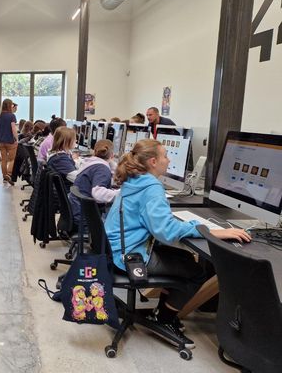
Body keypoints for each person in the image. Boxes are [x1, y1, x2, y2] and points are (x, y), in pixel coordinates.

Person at [104, 139, 250, 348]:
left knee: (184, 257)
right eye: (165, 156)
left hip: (117, 250)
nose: (169, 159)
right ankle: (164, 319)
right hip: (132, 257)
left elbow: (157, 224)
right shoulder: (151, 187)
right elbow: (166, 232)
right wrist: (210, 231)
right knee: (196, 272)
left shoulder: (135, 180)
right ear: (153, 161)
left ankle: (163, 309)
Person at [68, 139, 119, 228]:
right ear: (112, 155)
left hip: (77, 210)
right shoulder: (102, 169)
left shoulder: (90, 163)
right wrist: (120, 193)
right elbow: (98, 194)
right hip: (85, 217)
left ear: (94, 152)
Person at [0, 98, 18, 185]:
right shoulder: (12, 116)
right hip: (10, 141)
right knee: (12, 159)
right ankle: (9, 174)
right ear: (10, 106)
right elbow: (13, 129)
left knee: (4, 160)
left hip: (1, 141)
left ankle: (4, 177)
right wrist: (16, 139)